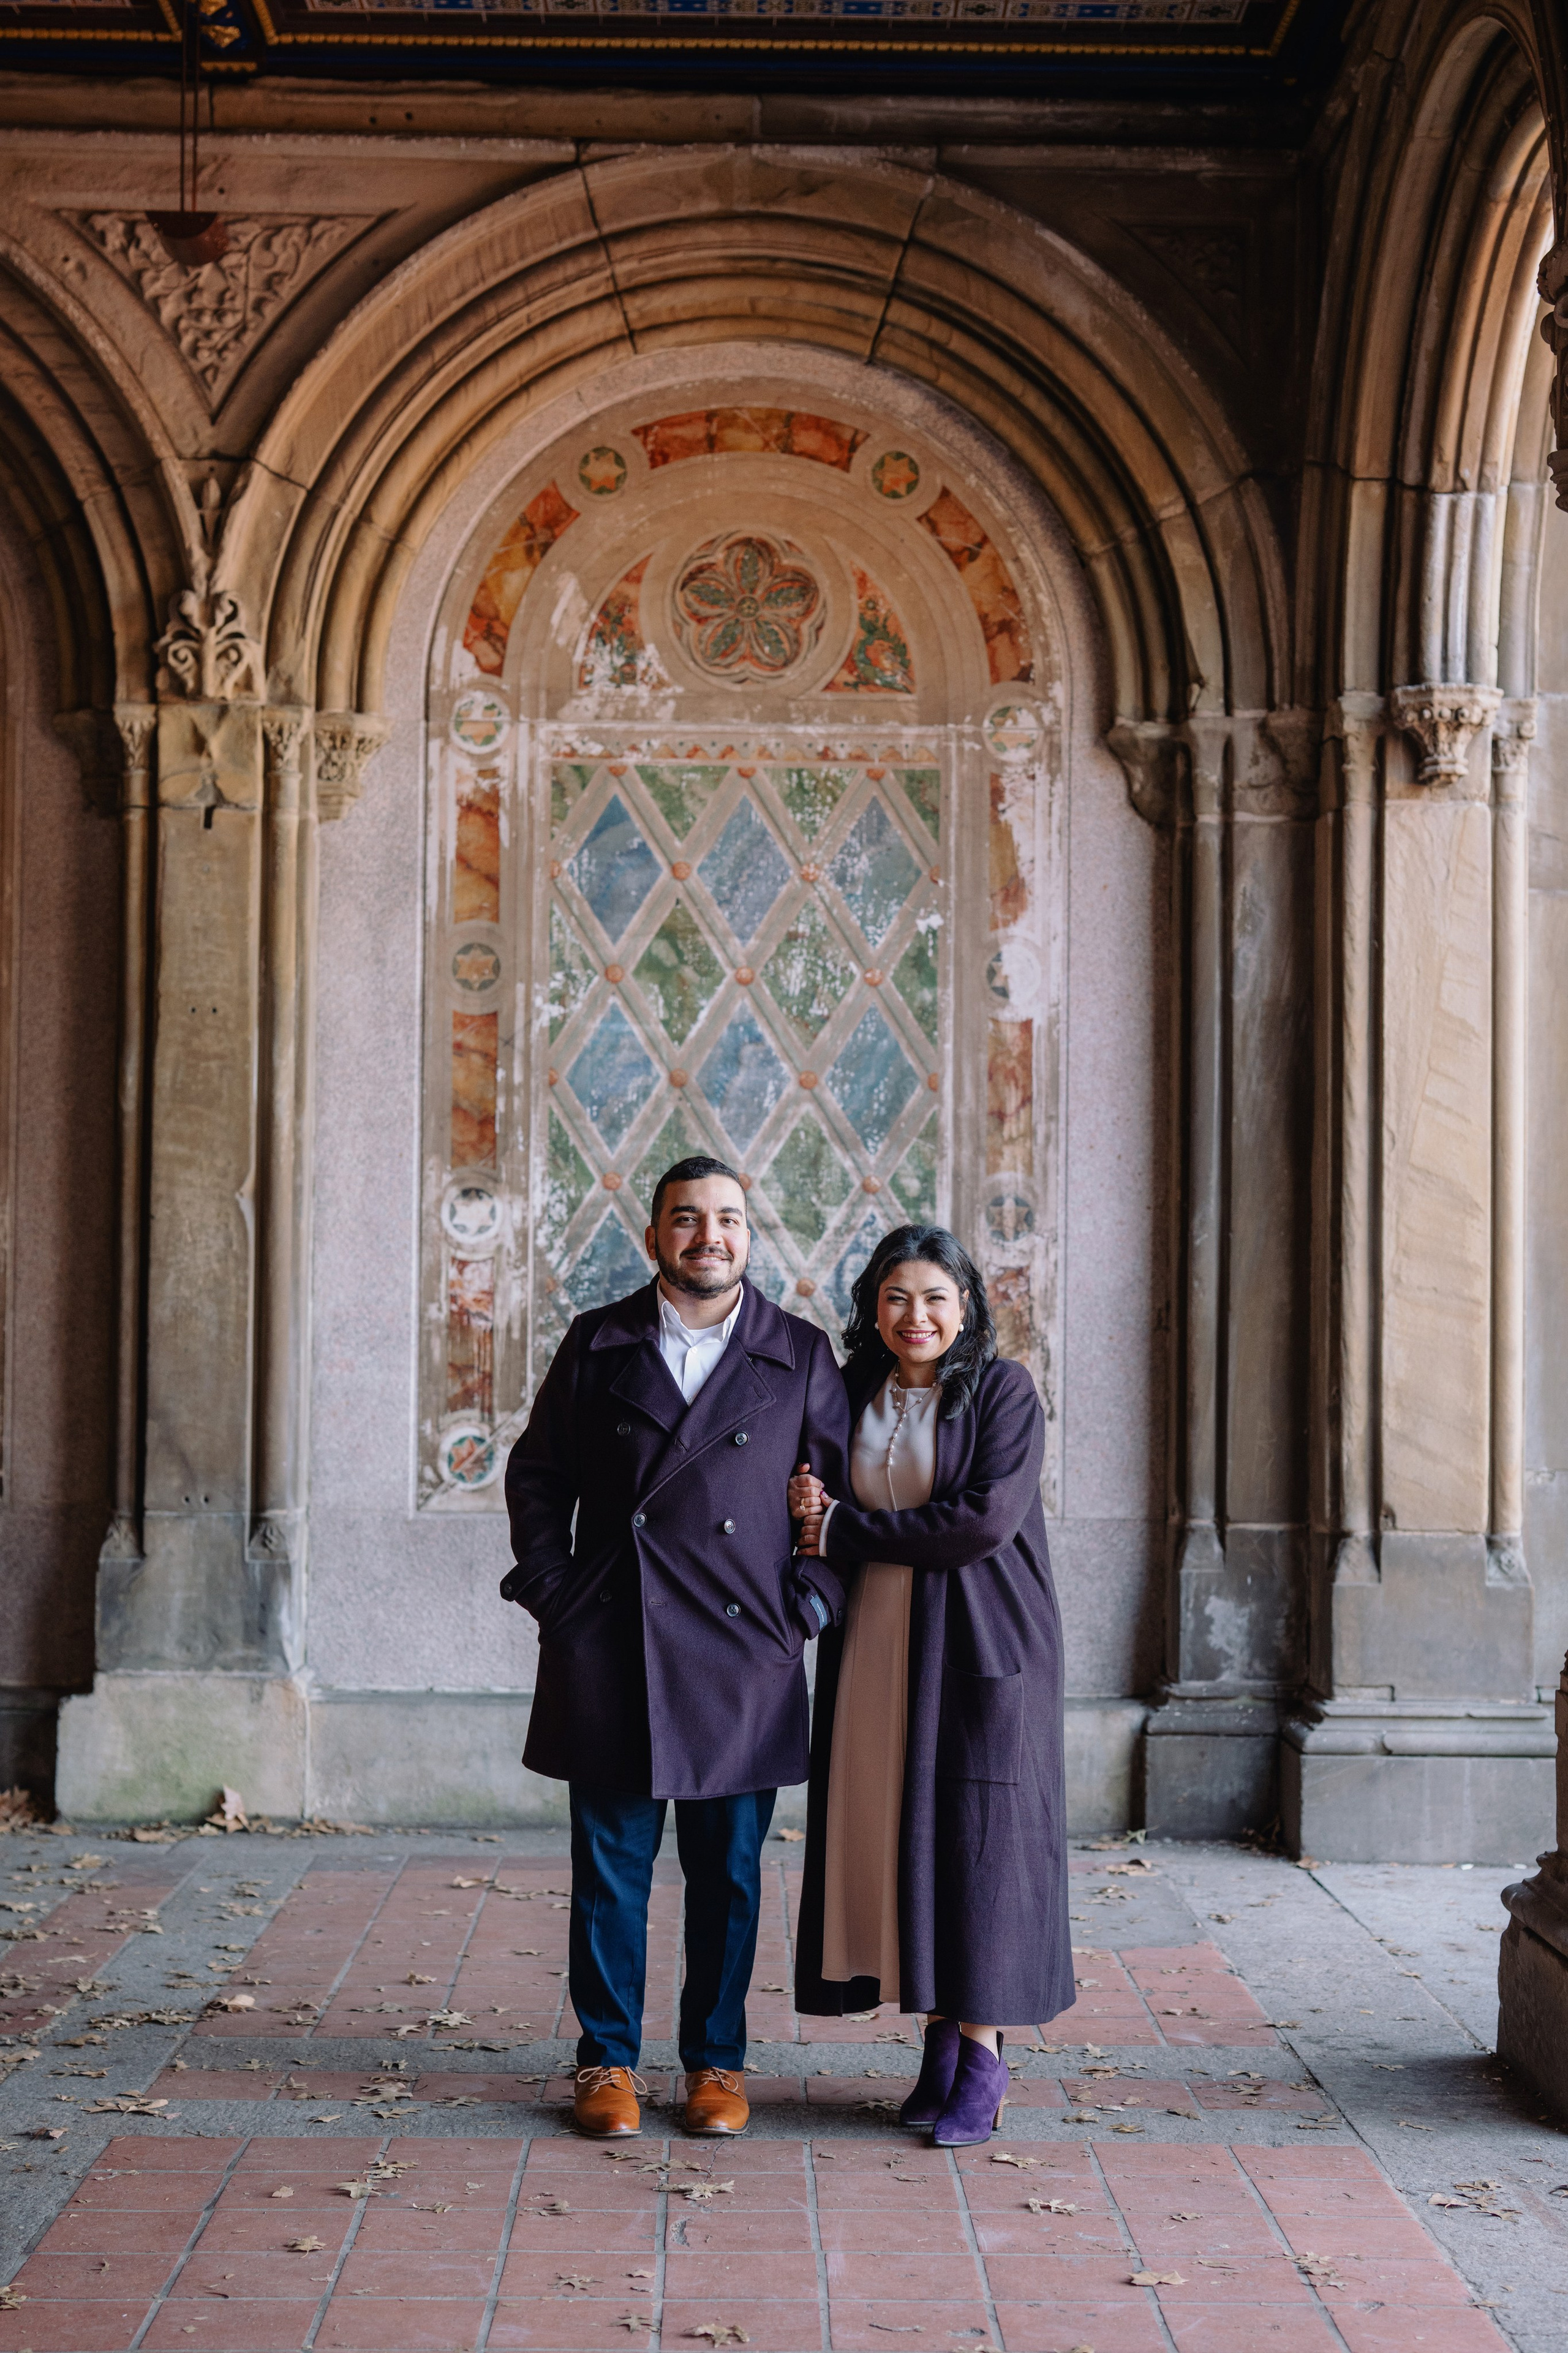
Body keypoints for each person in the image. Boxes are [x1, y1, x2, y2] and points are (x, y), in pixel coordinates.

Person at [502, 1155, 850, 2139]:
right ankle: (605, 2058)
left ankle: (716, 2062)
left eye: (730, 1219)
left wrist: (809, 1609)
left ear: (751, 1234)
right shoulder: (598, 1342)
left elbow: (844, 1499)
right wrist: (556, 1596)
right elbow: (537, 1477)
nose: (711, 1236)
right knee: (611, 1868)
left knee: (729, 1876)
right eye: (688, 1219)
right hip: (613, 1642)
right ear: (653, 1236)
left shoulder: (800, 1352)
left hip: (748, 1652)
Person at [788, 1223, 1072, 2145]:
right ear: (874, 1306)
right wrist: (808, 1515)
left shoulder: (1002, 1391)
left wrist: (840, 1532)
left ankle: (984, 2059)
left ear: (968, 1307)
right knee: (905, 1832)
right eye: (899, 1297)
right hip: (879, 1643)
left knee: (977, 1839)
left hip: (981, 1640)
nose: (918, 1315)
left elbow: (978, 1521)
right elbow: (813, 1492)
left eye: (937, 1298)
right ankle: (941, 2044)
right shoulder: (853, 1395)